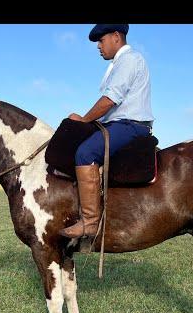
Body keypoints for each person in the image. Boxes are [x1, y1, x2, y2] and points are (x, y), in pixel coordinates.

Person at [59, 24, 154, 239]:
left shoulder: (129, 60)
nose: (99, 47)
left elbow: (110, 100)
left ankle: (90, 222)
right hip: (118, 124)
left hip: (130, 126)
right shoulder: (118, 64)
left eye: (101, 41)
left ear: (116, 36)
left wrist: (84, 120)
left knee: (85, 153)